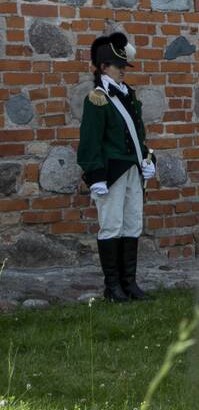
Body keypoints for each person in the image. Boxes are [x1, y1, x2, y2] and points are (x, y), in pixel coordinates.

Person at [76, 32, 156, 302]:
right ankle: (112, 288)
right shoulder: (97, 98)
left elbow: (138, 134)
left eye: (124, 66)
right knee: (111, 225)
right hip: (111, 173)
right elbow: (90, 141)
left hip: (133, 170)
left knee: (133, 224)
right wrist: (95, 175)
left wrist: (147, 160)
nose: (123, 70)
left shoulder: (128, 95)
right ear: (102, 68)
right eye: (117, 65)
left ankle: (128, 283)